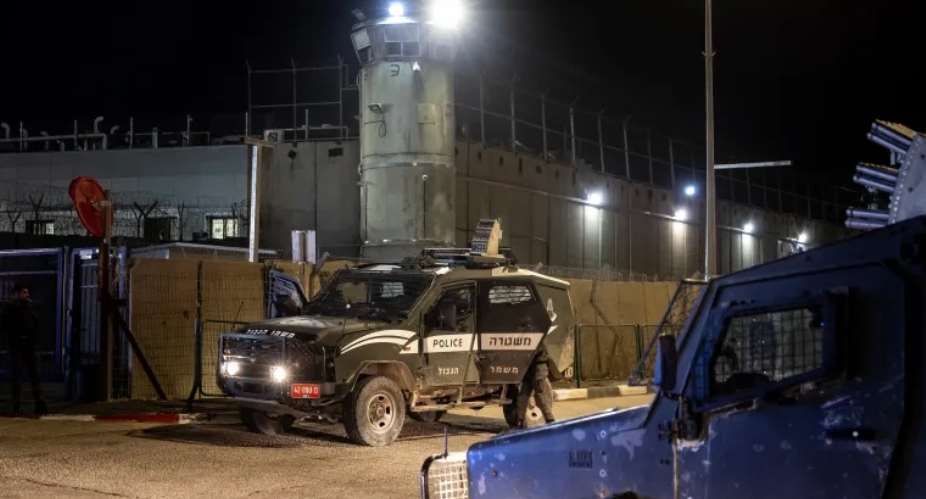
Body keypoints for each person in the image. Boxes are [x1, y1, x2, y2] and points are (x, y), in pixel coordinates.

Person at [2, 283, 47, 416]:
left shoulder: (28, 306)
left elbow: (35, 324)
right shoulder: (11, 307)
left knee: (33, 376)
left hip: (27, 345)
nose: (26, 295)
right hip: (18, 345)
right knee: (19, 376)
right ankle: (18, 406)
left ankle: (38, 404)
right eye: (24, 292)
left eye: (26, 292)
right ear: (17, 293)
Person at [515, 349, 556, 426]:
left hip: (537, 365)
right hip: (529, 366)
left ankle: (550, 419)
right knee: (524, 395)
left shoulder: (537, 339)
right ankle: (520, 420)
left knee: (541, 395)